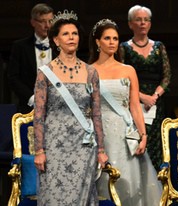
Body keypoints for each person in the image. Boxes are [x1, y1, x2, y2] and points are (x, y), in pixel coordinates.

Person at [33, 10, 108, 205]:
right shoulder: (45, 73)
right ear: (56, 40)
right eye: (65, 34)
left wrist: (101, 149)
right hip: (54, 145)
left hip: (83, 145)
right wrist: (39, 151)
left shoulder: (91, 72)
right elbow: (39, 115)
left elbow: (97, 114)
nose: (71, 37)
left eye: (74, 34)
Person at [88, 18, 163, 205]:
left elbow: (134, 105)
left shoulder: (128, 70)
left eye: (115, 38)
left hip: (125, 132)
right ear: (98, 42)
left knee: (130, 182)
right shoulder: (88, 71)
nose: (112, 42)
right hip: (100, 132)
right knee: (103, 181)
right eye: (107, 38)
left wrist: (143, 135)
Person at [120, 5, 171, 170]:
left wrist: (154, 96)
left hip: (156, 104)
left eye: (146, 20)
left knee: (157, 143)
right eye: (138, 20)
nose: (142, 23)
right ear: (130, 24)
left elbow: (167, 76)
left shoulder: (159, 46)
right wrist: (141, 97)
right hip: (133, 101)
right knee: (138, 142)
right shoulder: (124, 48)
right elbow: (121, 77)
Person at [7, 3, 54, 113]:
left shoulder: (60, 46)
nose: (47, 26)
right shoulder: (20, 47)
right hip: (28, 108)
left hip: (58, 109)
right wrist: (32, 98)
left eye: (50, 21)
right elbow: (13, 77)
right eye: (42, 21)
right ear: (33, 22)